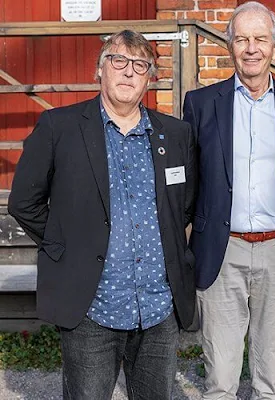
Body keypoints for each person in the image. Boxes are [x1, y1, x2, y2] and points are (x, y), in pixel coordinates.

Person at [8, 30, 196, 399]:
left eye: (139, 65)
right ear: (100, 69)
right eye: (119, 61)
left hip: (158, 306)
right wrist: (66, 245)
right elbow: (24, 202)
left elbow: (184, 205)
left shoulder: (175, 134)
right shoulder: (59, 127)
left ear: (149, 77)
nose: (128, 72)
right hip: (92, 305)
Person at [182, 2, 275, 398]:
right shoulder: (201, 104)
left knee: (270, 380)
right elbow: (190, 177)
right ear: (230, 47)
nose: (251, 48)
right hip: (222, 251)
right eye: (242, 39)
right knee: (220, 379)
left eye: (260, 39)